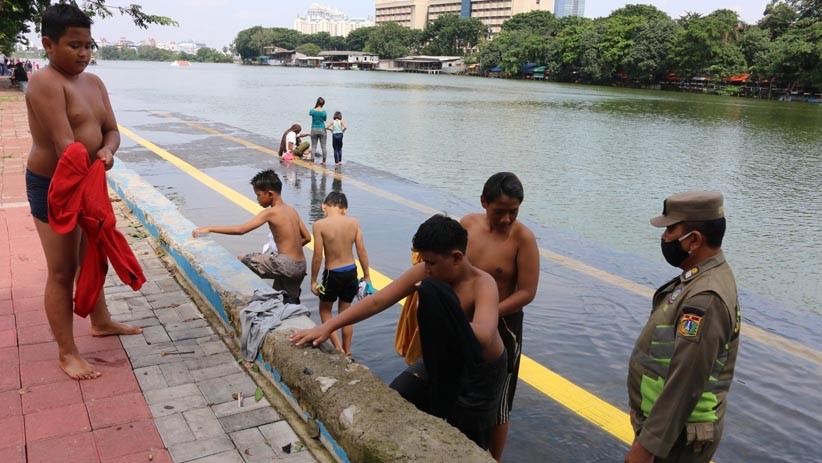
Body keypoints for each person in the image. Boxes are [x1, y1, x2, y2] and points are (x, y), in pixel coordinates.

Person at [292, 215, 507, 450]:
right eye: (423, 261)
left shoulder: (483, 284)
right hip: (442, 359)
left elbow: (485, 336)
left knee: (469, 436)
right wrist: (327, 326)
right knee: (397, 397)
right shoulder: (427, 272)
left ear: (456, 257)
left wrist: (444, 308)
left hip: (480, 372)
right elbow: (378, 302)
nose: (425, 268)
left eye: (431, 262)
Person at [24, 4, 143, 381]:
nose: (84, 53)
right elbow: (66, 146)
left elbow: (112, 129)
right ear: (48, 43)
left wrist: (108, 149)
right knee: (63, 270)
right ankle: (66, 352)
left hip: (91, 179)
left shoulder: (93, 83)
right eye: (75, 45)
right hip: (55, 184)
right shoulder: (46, 82)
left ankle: (101, 320)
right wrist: (92, 162)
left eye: (89, 45)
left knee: (94, 253)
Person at [626, 191, 741, 463]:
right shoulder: (700, 279)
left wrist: (647, 447)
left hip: (676, 442)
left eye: (670, 230)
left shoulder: (705, 298)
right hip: (670, 433)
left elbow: (686, 381)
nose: (664, 237)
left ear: (694, 240)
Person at [460, 172, 539, 462]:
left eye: (513, 212)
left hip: (504, 327)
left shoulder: (523, 238)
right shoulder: (467, 225)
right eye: (499, 212)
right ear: (484, 202)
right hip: (465, 323)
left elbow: (527, 292)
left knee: (500, 401)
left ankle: (495, 457)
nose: (507, 219)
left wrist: (490, 312)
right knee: (462, 385)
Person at [193, 169, 311, 304]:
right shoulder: (292, 210)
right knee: (286, 298)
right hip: (301, 266)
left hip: (285, 265)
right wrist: (289, 249)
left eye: (258, 195)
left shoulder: (270, 213)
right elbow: (307, 238)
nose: (257, 199)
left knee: (242, 258)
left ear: (270, 194)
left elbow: (241, 230)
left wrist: (210, 228)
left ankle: (238, 297)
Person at [310, 192, 370, 354]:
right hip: (351, 271)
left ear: (324, 206)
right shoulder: (354, 222)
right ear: (345, 209)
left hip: (333, 273)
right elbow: (361, 251)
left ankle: (338, 349)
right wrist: (366, 276)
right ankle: (348, 350)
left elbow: (317, 256)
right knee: (346, 314)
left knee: (325, 311)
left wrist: (313, 281)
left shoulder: (319, 225)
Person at [309, 97, 328, 164]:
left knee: (313, 146)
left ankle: (312, 162)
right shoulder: (324, 112)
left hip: (314, 129)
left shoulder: (312, 111)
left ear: (317, 102)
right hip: (322, 129)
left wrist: (315, 107)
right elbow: (325, 120)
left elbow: (310, 114)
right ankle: (324, 161)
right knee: (323, 146)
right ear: (323, 104)